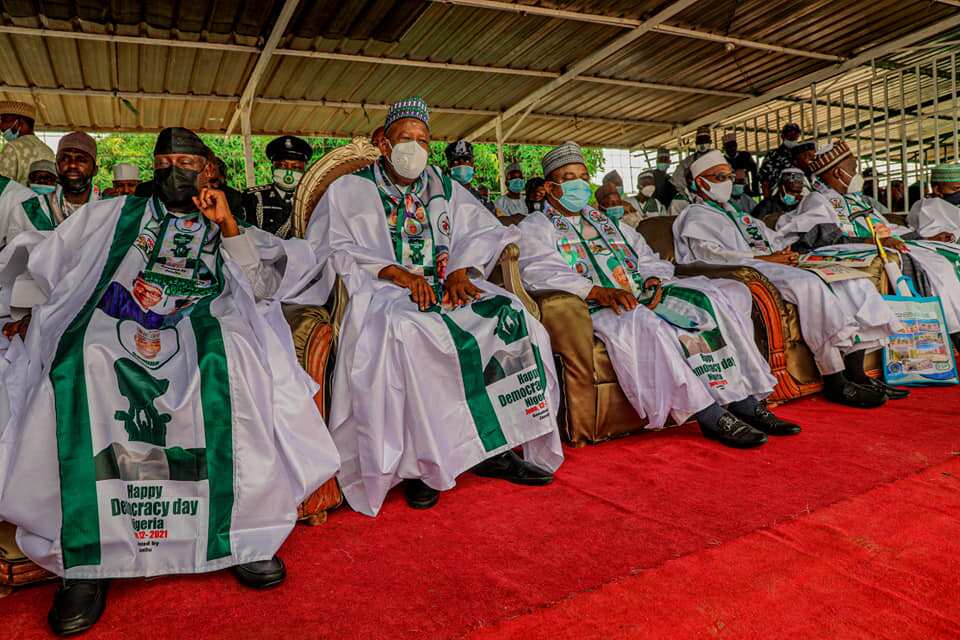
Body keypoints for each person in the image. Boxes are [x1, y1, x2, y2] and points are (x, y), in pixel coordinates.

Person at [0, 126, 339, 636]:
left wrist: (227, 225)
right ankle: (86, 561)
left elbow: (264, 288)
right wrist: (31, 306)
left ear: (205, 168)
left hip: (203, 320)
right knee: (82, 360)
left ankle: (242, 534)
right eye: (165, 163)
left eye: (186, 161)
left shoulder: (227, 218)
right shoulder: (114, 213)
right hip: (120, 318)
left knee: (232, 358)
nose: (174, 171)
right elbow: (54, 258)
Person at [307, 96, 563, 516]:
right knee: (410, 334)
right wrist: (394, 272)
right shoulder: (350, 189)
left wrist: (462, 269)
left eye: (423, 140)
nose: (415, 148)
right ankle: (423, 467)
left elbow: (483, 230)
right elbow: (329, 248)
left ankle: (494, 447)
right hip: (383, 291)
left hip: (445, 286)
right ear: (383, 142)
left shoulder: (445, 187)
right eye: (405, 138)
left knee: (508, 314)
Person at [517, 142, 798, 448]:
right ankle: (708, 413)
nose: (580, 185)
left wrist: (653, 279)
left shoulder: (606, 222)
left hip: (641, 293)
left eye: (584, 177)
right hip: (595, 308)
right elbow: (540, 272)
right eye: (569, 177)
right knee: (652, 326)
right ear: (550, 187)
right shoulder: (535, 226)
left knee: (713, 299)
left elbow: (646, 256)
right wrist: (598, 291)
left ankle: (744, 399)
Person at [673, 150, 902, 408]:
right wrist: (767, 259)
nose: (728, 181)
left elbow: (773, 238)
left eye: (729, 176)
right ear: (699, 182)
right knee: (809, 284)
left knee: (850, 279)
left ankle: (857, 371)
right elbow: (709, 255)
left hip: (773, 263)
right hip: (748, 268)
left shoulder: (740, 215)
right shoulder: (695, 215)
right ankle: (835, 377)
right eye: (719, 176)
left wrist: (787, 250)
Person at [778, 141, 960, 346]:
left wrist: (925, 238)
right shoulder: (818, 200)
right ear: (838, 173)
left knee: (950, 253)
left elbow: (888, 229)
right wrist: (873, 240)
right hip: (863, 250)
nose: (857, 174)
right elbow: (820, 236)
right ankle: (953, 332)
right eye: (853, 169)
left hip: (884, 245)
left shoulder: (855, 200)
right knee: (937, 265)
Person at [240, 135, 312, 239]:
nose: (289, 171)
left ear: (304, 171)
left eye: (296, 167)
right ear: (272, 168)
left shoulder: (310, 200)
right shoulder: (253, 197)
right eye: (282, 165)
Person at [47, 131, 99, 224]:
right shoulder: (38, 209)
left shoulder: (110, 208)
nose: (72, 165)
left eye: (81, 160)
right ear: (56, 166)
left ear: (95, 170)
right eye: (64, 159)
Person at [0, 101, 54, 184]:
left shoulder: (12, 147)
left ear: (19, 122)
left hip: (17, 197)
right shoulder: (48, 150)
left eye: (4, 121)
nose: (1, 126)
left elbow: (2, 186)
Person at [907, 164, 960, 241]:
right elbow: (931, 233)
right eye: (957, 188)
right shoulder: (926, 206)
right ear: (937, 190)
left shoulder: (953, 205)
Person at [444, 139, 495, 213]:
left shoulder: (482, 200)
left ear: (472, 164)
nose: (462, 165)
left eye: (467, 161)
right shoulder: (444, 196)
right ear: (449, 166)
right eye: (456, 162)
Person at [759, 123, 802, 198]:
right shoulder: (773, 155)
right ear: (782, 136)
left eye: (795, 134)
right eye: (789, 134)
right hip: (779, 195)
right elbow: (764, 180)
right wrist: (767, 200)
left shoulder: (802, 154)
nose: (793, 136)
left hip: (801, 193)